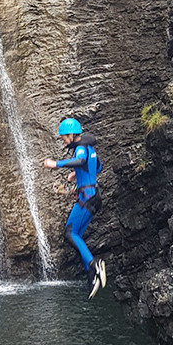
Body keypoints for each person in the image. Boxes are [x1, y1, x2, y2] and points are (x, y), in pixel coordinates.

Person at [44, 117, 107, 298]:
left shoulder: (80, 148)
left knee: (70, 233)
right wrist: (76, 174)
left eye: (64, 136)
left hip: (87, 198)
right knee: (75, 235)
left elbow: (80, 161)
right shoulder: (90, 148)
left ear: (72, 134)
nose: (63, 140)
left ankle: (94, 265)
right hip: (95, 197)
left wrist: (56, 164)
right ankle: (92, 274)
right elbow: (98, 167)